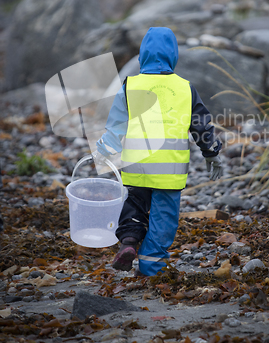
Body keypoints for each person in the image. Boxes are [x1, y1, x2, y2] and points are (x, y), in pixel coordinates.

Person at [94, 27, 223, 276]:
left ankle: (130, 242)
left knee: (134, 207)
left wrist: (102, 151)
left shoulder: (130, 86)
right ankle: (151, 267)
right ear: (173, 57)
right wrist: (211, 153)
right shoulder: (185, 88)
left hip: (135, 166)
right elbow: (201, 126)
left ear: (142, 57)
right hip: (169, 172)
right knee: (163, 219)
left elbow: (115, 126)